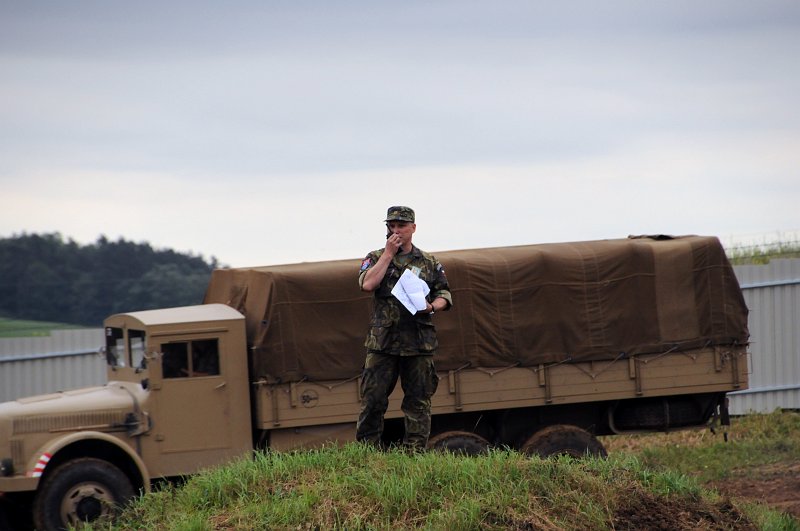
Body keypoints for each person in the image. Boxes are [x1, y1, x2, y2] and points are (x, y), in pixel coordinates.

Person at [356, 206, 452, 449]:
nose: (396, 230)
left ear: (413, 228)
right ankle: (368, 454)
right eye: (392, 226)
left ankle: (415, 453)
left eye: (401, 226)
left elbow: (444, 293)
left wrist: (432, 307)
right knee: (373, 400)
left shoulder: (428, 262)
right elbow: (367, 285)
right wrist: (388, 254)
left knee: (418, 402)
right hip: (383, 343)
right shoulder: (376, 257)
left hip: (418, 342)